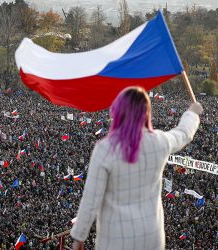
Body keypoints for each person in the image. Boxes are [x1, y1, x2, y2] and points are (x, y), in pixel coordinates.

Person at [71, 86, 203, 250]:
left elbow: (91, 200)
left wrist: (79, 236)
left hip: (115, 238)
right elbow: (184, 133)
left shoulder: (105, 149)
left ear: (118, 111)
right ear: (146, 112)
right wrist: (192, 113)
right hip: (151, 236)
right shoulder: (159, 141)